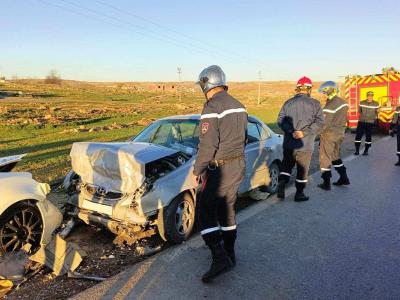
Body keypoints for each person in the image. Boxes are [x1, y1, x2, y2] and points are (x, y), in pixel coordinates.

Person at [192, 65, 247, 283]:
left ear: (206, 84)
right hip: (238, 164)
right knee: (227, 209)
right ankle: (230, 254)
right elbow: (242, 137)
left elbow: (207, 145)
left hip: (220, 169)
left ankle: (219, 257)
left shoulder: (212, 106)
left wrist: (197, 170)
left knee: (205, 212)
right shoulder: (239, 106)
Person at [277, 76, 324, 202]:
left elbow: (280, 120)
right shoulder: (315, 104)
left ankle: (282, 183)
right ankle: (299, 194)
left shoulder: (288, 103)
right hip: (305, 144)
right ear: (309, 89)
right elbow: (320, 123)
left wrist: (291, 131)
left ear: (298, 89)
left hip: (289, 143)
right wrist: (303, 133)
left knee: (286, 165)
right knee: (302, 169)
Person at [317, 81, 350, 190]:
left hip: (329, 135)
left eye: (324, 93)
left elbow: (324, 124)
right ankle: (343, 178)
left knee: (325, 158)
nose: (323, 95)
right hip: (340, 134)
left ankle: (326, 183)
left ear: (329, 91)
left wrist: (315, 135)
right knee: (335, 156)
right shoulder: (343, 102)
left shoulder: (330, 105)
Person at [354, 91, 380, 155]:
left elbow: (377, 112)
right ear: (367, 96)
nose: (370, 97)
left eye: (371, 96)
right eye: (369, 95)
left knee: (368, 137)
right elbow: (359, 111)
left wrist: (373, 118)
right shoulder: (361, 102)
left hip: (370, 123)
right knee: (358, 136)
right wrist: (363, 117)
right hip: (361, 122)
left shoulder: (376, 103)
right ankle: (357, 151)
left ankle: (366, 151)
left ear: (372, 96)